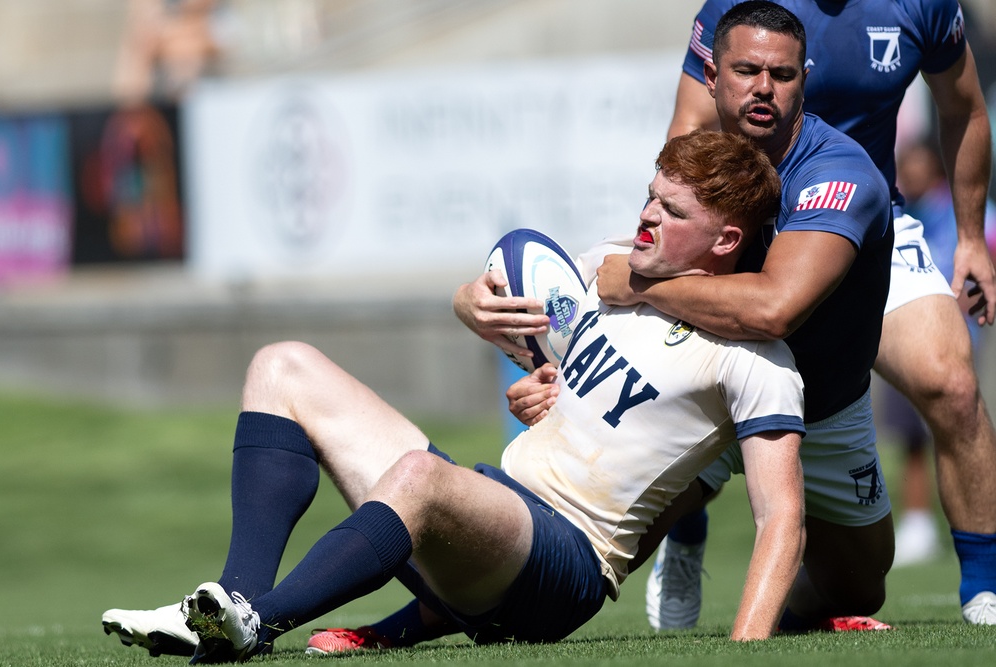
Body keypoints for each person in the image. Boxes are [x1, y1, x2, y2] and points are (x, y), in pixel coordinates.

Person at [102, 129, 807, 662]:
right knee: (282, 365)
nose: (647, 215)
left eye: (671, 209)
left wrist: (743, 647)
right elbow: (500, 307)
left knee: (421, 477)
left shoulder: (758, 359)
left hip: (564, 564)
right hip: (488, 514)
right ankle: (231, 599)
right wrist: (471, 304)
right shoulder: (611, 270)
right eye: (650, 194)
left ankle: (257, 622)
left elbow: (781, 516)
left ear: (727, 239)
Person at [646, 0, 996, 628]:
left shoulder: (922, 4)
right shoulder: (737, 10)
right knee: (680, 399)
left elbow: (963, 106)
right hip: (750, 229)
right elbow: (691, 122)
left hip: (869, 225)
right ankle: (685, 526)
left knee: (954, 383)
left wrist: (971, 238)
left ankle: (985, 592)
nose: (765, 85)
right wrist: (675, 245)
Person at [887, 140, 996, 567]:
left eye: (914, 166)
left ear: (935, 167)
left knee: (963, 430)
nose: (907, 175)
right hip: (905, 333)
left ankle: (978, 536)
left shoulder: (964, 212)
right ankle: (918, 524)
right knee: (911, 436)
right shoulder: (901, 213)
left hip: (959, 337)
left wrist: (977, 291)